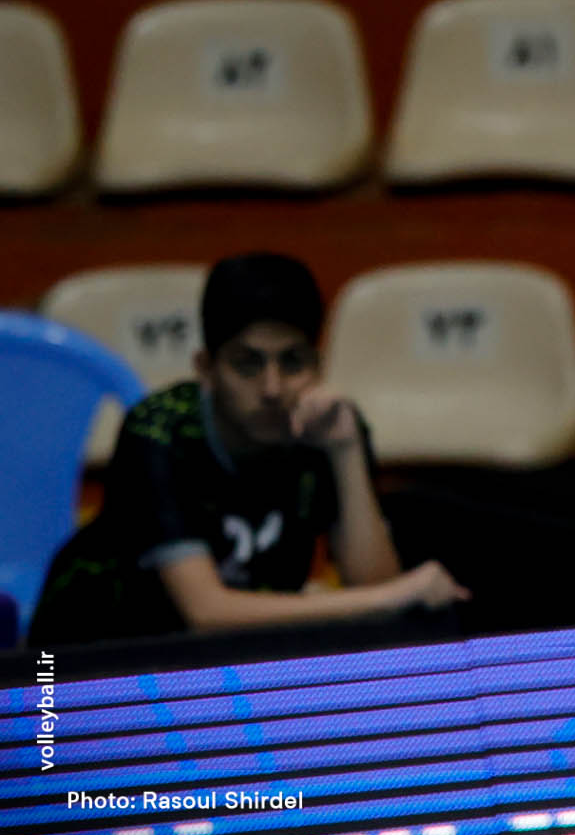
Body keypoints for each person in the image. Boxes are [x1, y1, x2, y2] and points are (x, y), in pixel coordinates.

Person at [29, 252, 467, 646]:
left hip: (221, 659)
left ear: (319, 365)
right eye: (247, 364)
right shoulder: (159, 432)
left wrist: (346, 451)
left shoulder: (329, 428)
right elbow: (207, 612)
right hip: (81, 657)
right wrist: (395, 595)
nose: (273, 388)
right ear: (206, 369)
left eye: (292, 362)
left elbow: (374, 590)